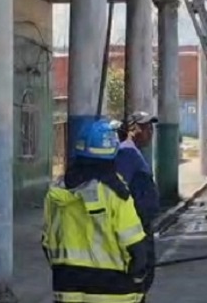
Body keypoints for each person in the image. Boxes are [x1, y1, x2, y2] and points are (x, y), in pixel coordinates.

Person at [42, 119, 150, 302]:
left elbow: (46, 244)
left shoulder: (55, 195)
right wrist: (138, 278)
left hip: (67, 291)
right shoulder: (116, 195)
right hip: (115, 294)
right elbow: (137, 251)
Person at [115, 111, 160, 296]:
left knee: (145, 274)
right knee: (140, 274)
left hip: (142, 223)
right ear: (133, 130)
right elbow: (122, 190)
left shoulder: (134, 153)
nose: (150, 132)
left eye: (151, 128)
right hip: (136, 226)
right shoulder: (126, 154)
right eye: (145, 127)